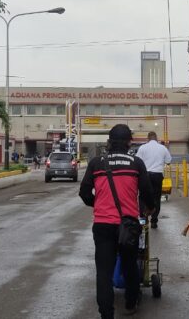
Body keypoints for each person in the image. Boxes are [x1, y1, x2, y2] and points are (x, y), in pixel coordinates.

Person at [79, 124, 154, 318]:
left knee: (104, 272)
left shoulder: (97, 163)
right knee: (129, 264)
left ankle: (106, 314)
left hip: (103, 225)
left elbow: (84, 192)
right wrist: (150, 209)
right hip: (128, 224)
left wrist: (98, 204)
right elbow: (147, 193)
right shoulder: (136, 163)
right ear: (129, 142)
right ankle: (130, 303)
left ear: (109, 142)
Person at [134, 131, 172, 229]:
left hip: (145, 175)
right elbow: (168, 161)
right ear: (156, 138)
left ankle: (143, 220)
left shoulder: (143, 148)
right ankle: (154, 221)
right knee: (156, 198)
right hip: (157, 175)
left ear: (148, 138)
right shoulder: (163, 148)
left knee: (142, 197)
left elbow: (137, 161)